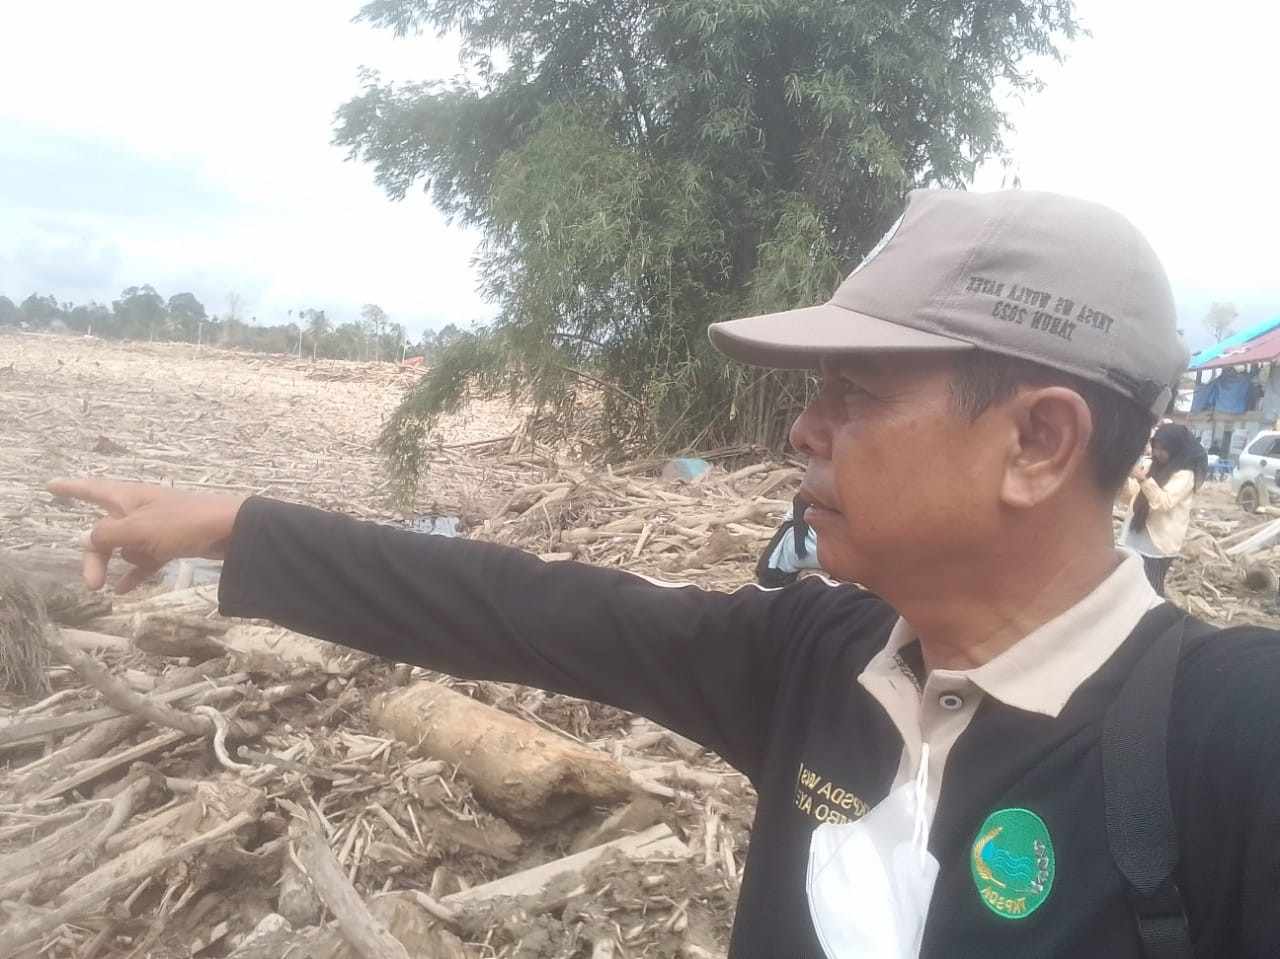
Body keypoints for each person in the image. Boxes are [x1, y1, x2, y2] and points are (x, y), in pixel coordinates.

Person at [51, 190, 1280, 958]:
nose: (802, 428)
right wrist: (236, 529)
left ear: (1037, 442)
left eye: (853, 393)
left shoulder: (1228, 742)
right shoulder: (819, 663)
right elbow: (527, 608)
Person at [1122, 424, 1208, 595]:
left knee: (1152, 588)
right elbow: (1134, 494)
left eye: (1163, 449)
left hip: (1158, 540)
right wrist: (1123, 479)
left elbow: (1164, 502)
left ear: (1176, 449)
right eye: (1156, 447)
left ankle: (1156, 612)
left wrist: (1143, 479)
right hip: (1137, 532)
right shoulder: (1152, 465)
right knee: (1131, 585)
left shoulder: (1184, 475)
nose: (1157, 453)